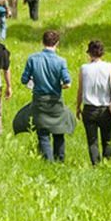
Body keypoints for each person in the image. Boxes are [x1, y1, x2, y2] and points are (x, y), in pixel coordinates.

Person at [20, 30, 75, 162]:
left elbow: (24, 80)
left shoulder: (32, 59)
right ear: (57, 43)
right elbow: (67, 83)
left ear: (42, 42)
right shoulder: (61, 61)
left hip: (39, 100)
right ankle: (59, 160)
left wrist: (34, 82)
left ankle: (48, 161)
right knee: (58, 131)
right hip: (56, 101)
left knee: (43, 133)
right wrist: (60, 86)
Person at [75, 40, 111, 166]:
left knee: (92, 141)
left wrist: (78, 107)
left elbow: (80, 90)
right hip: (105, 109)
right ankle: (107, 163)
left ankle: (95, 165)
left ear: (89, 53)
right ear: (102, 53)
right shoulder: (110, 67)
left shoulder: (84, 69)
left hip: (89, 110)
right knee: (106, 140)